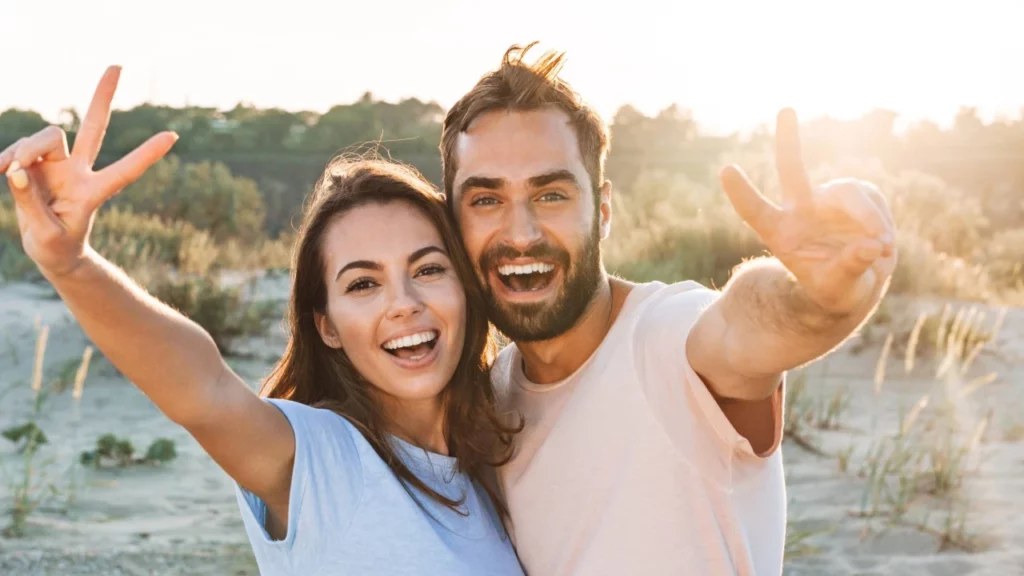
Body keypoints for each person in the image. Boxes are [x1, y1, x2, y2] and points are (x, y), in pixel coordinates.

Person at [0, 67, 525, 576]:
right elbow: (203, 390)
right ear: (328, 327)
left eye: (428, 269)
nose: (404, 302)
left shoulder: (495, 468)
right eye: (363, 284)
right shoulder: (318, 461)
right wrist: (71, 264)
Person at [440, 43, 898, 575]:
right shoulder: (490, 400)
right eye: (486, 200)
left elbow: (748, 328)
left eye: (551, 195)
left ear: (603, 210)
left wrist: (822, 297)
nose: (521, 234)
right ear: (453, 223)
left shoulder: (665, 338)